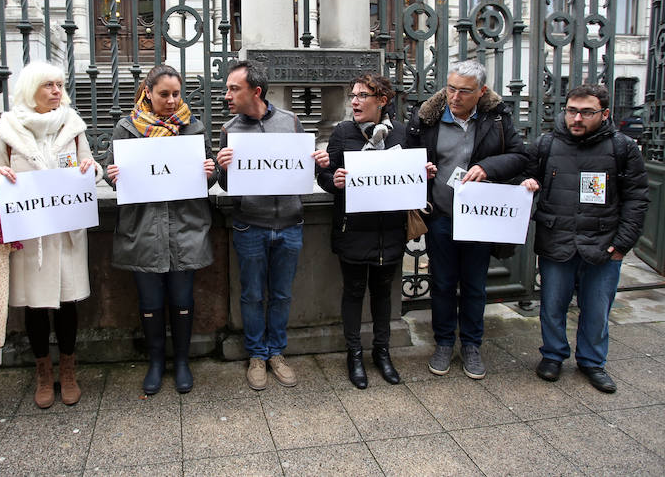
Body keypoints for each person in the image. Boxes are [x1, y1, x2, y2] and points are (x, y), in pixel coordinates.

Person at [0, 60, 102, 409]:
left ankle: (68, 370)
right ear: (31, 87)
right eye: (49, 85)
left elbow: (90, 166)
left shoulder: (72, 124)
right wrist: (0, 178)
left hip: (64, 232)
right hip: (30, 235)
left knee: (67, 303)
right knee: (35, 307)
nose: (57, 91)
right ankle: (42, 372)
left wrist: (89, 168)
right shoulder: (8, 128)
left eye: (59, 84)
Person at [521, 84, 648, 393]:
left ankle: (592, 362)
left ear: (605, 114)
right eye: (572, 111)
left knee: (597, 308)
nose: (577, 118)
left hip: (604, 243)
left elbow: (636, 198)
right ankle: (552, 356)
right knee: (552, 305)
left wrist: (623, 243)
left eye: (586, 112)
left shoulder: (622, 148)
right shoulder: (546, 144)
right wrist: (527, 182)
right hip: (557, 239)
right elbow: (523, 174)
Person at [406, 59, 527, 380]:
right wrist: (422, 170)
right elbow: (408, 156)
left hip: (479, 218)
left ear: (481, 91)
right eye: (450, 89)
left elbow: (519, 155)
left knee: (474, 286)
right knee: (443, 284)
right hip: (441, 217)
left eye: (464, 91)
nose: (455, 97)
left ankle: (472, 345)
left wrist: (488, 167)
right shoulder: (426, 120)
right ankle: (444, 343)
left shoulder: (498, 118)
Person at [216, 59, 330, 390]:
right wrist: (223, 169)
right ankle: (256, 355)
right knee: (252, 294)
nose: (227, 95)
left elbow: (302, 171)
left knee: (281, 294)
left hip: (291, 223)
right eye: (227, 89)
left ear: (257, 91)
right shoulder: (229, 131)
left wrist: (318, 162)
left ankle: (276, 352)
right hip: (250, 225)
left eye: (233, 89)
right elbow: (226, 185)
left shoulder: (290, 122)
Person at [317, 73, 437, 389]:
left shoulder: (402, 134)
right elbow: (325, 177)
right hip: (354, 228)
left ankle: (382, 353)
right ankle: (354, 354)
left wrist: (424, 173)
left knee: (384, 294)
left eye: (362, 95)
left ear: (382, 101)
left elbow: (416, 176)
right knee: (354, 292)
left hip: (390, 231)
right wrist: (334, 180)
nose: (354, 101)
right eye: (352, 95)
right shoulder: (342, 133)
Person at [104, 65, 217, 395]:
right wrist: (113, 174)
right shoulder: (127, 129)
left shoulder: (193, 129)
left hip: (185, 229)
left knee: (182, 298)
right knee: (150, 300)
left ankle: (181, 361)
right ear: (148, 93)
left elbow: (208, 177)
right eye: (163, 94)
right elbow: (112, 172)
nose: (171, 100)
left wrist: (210, 171)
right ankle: (156, 362)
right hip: (143, 230)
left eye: (176, 94)